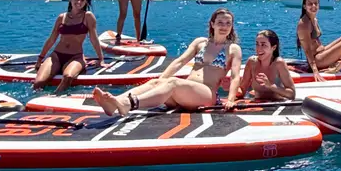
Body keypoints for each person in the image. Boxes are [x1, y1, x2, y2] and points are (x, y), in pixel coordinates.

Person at [93, 8, 242, 116]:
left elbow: (235, 77)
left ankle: (129, 104)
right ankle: (115, 102)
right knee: (156, 82)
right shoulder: (200, 43)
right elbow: (180, 62)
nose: (224, 26)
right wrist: (161, 79)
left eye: (228, 23)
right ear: (212, 24)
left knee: (173, 83)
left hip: (206, 95)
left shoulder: (233, 49)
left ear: (231, 26)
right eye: (220, 22)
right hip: (185, 93)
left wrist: (230, 100)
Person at [33, 0, 104, 94]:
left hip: (75, 57)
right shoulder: (62, 17)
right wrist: (40, 59)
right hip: (56, 56)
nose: (79, 2)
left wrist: (100, 59)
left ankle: (54, 97)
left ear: (86, 3)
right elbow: (52, 39)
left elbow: (94, 38)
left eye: (82, 0)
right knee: (38, 83)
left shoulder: (88, 16)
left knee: (68, 76)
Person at [296, 0, 341, 82]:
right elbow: (307, 50)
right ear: (304, 6)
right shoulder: (304, 24)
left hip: (322, 52)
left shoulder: (314, 19)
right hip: (318, 60)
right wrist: (315, 70)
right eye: (310, 4)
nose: (313, 6)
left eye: (315, 3)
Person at [239, 30, 296, 102]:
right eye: (257, 44)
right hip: (258, 106)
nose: (259, 49)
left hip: (277, 105)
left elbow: (292, 94)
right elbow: (242, 90)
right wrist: (231, 88)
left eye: (263, 45)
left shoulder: (279, 63)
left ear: (273, 47)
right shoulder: (251, 62)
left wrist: (271, 86)